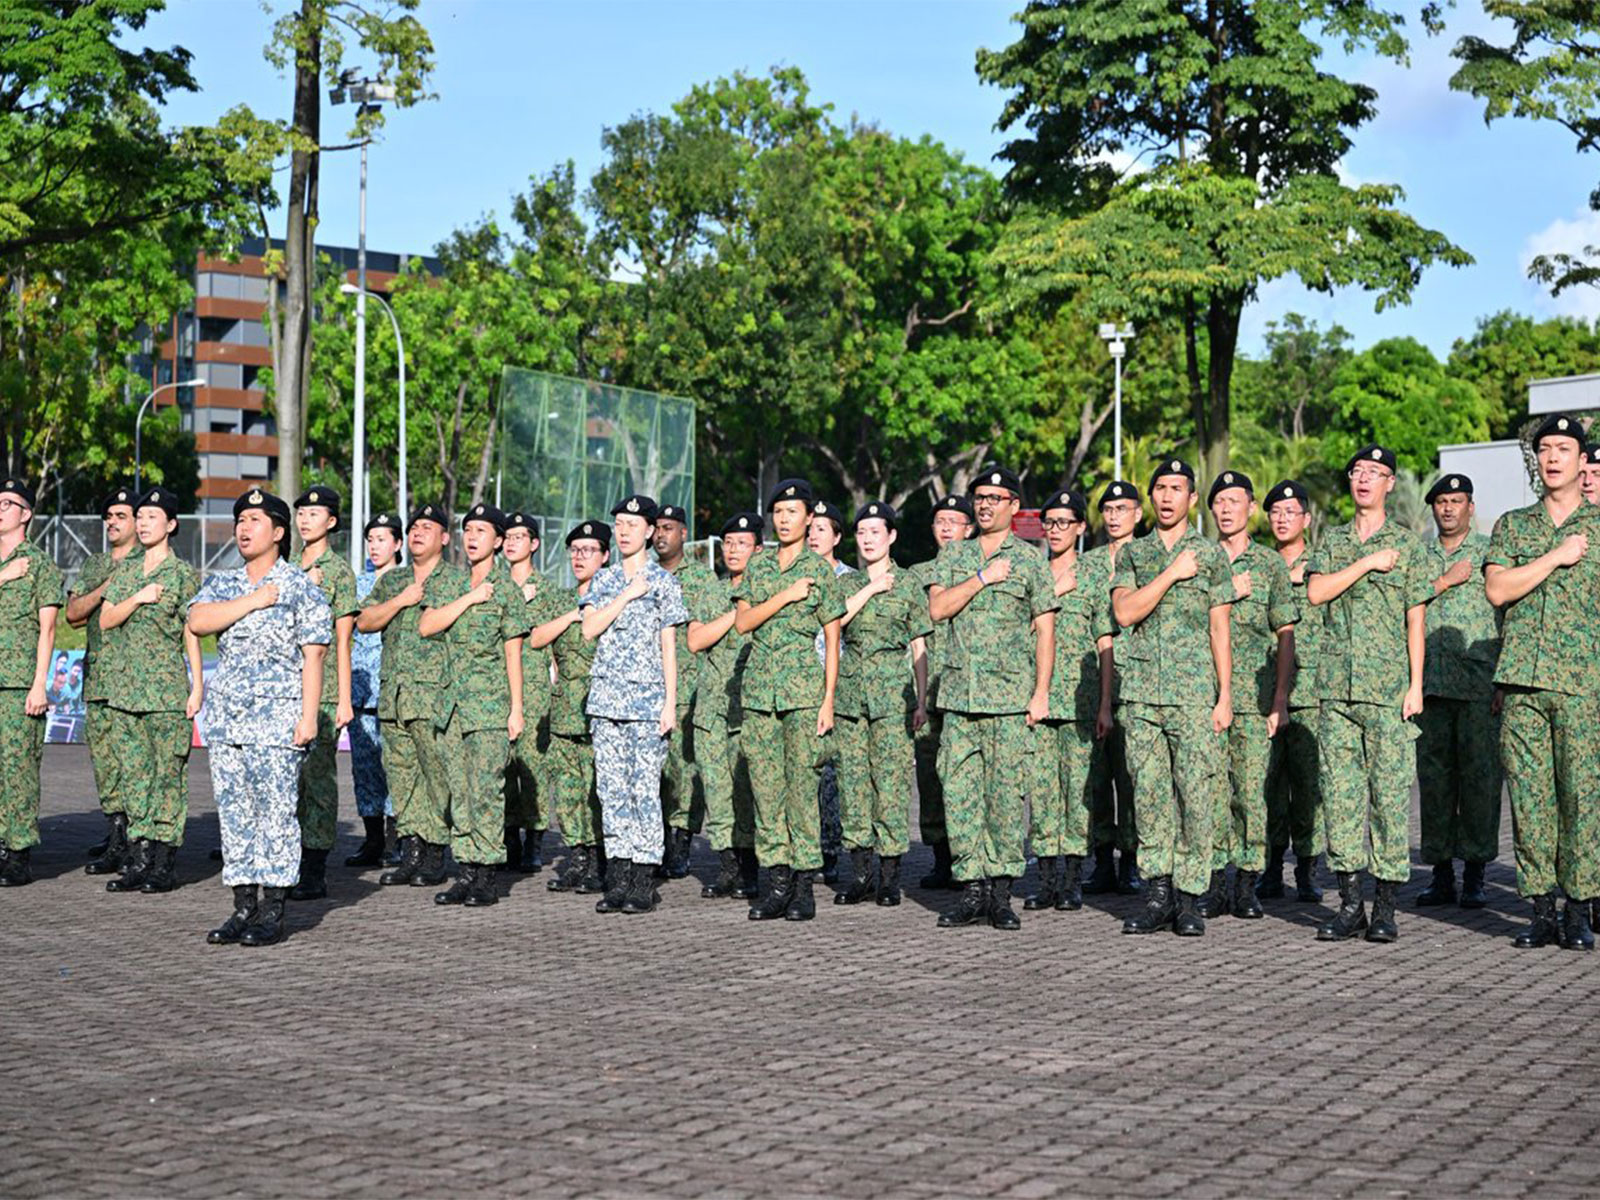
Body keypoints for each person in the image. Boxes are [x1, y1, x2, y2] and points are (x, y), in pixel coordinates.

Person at [187, 488, 329, 946]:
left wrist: (308, 719)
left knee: (276, 816)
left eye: (255, 520)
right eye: (240, 521)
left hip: (277, 721)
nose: (244, 529)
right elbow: (198, 621)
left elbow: (314, 656)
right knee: (235, 815)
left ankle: (273, 909)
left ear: (279, 532)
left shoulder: (299, 587)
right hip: (228, 721)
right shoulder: (225, 583)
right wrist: (251, 601)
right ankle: (243, 906)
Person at [1306, 444, 1431, 944]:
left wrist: (1416, 684)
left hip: (1386, 693)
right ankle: (1349, 903)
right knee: (1340, 799)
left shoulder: (1408, 545)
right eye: (1358, 471)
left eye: (1375, 473)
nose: (1364, 480)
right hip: (1336, 691)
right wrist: (1365, 563)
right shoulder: (1333, 542)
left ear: (1390, 484)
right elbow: (1316, 592)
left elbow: (1415, 619)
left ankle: (1385, 907)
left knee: (1388, 799)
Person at [1484, 413, 1600, 950]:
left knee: (1581, 800)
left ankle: (1580, 909)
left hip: (1583, 688)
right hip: (1522, 684)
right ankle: (1542, 910)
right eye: (1545, 449)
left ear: (1582, 460)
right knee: (1530, 803)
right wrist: (1555, 557)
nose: (1552, 457)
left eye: (1563, 448)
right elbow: (1498, 590)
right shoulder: (1514, 526)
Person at [927, 465, 1057, 931]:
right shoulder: (956, 556)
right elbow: (938, 608)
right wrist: (982, 578)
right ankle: (972, 888)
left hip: (1007, 699)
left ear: (1013, 506)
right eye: (979, 497)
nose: (984, 505)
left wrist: (1041, 693)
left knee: (1004, 799)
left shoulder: (1029, 561)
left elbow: (1046, 630)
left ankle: (1000, 892)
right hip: (960, 698)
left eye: (995, 498)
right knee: (959, 794)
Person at [1112, 459, 1234, 937]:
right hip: (1142, 696)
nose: (1166, 497)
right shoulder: (1135, 555)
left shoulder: (1210, 555)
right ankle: (1157, 894)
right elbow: (1124, 612)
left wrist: (1224, 696)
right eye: (1159, 488)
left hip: (1193, 695)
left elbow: (1219, 628)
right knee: (1150, 797)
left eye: (1175, 488)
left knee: (1195, 796)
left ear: (1191, 498)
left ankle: (1188, 899)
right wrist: (1170, 574)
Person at [733, 478, 846, 922]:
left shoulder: (819, 570)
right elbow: (743, 623)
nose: (783, 519)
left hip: (802, 693)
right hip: (760, 692)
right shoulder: (759, 568)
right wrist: (785, 594)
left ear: (808, 519)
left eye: (792, 512)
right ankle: (775, 883)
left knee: (802, 791)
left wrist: (828, 699)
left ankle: (803, 886)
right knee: (766, 791)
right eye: (778, 512)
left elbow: (833, 636)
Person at [581, 495, 689, 914]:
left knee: (644, 791)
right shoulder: (605, 580)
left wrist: (670, 704)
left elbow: (669, 648)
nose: (624, 531)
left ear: (649, 531)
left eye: (632, 524)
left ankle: (643, 878)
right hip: (606, 701)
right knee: (611, 791)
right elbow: (589, 628)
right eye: (619, 524)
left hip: (647, 704)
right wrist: (627, 596)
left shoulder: (664, 583)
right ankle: (618, 876)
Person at [418, 503, 529, 907]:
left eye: (482, 531)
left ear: (499, 540)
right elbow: (427, 625)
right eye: (469, 530)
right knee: (458, 792)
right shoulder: (451, 584)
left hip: (488, 705)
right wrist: (468, 599)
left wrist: (516, 709)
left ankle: (486, 873)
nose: (472, 538)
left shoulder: (507, 590)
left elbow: (513, 652)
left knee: (485, 791)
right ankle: (465, 869)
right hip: (451, 706)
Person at [95, 486, 202, 894]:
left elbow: (192, 632)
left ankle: (164, 861)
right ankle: (139, 858)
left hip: (165, 693)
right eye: (139, 518)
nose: (142, 524)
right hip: (124, 692)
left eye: (151, 517)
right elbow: (106, 620)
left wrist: (197, 687)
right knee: (134, 777)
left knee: (167, 777)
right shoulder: (125, 573)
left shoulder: (182, 576)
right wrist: (139, 597)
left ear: (171, 525)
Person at [358, 504, 463, 889]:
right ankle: (411, 850)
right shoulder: (392, 582)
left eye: (427, 527)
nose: (418, 533)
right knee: (402, 778)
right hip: (394, 696)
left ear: (444, 537)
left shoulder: (454, 580)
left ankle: (436, 851)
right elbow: (365, 622)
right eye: (414, 526)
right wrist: (401, 600)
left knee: (436, 775)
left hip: (434, 698)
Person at [1206, 471, 1296, 920]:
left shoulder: (1270, 566)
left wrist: (1279, 699)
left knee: (1251, 794)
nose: (1226, 509)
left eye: (1234, 501)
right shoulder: (1198, 560)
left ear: (1251, 507)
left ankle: (1246, 883)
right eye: (1219, 502)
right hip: (1204, 696)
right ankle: (1216, 882)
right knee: (1210, 793)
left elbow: (1285, 636)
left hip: (1255, 699)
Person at [833, 501, 930, 907]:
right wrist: (871, 588)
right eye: (862, 532)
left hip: (893, 697)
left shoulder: (909, 584)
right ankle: (860, 873)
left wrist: (922, 700)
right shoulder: (845, 583)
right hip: (851, 697)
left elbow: (919, 642)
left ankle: (890, 876)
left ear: (891, 536)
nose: (868, 539)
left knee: (890, 784)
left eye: (876, 531)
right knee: (853, 783)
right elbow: (835, 622)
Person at [1416, 474, 1503, 909]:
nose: (1448, 508)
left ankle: (1475, 873)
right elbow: (1403, 607)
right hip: (1429, 686)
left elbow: (1509, 614)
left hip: (1478, 686)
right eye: (1442, 501)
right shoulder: (1420, 555)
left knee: (1480, 781)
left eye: (1457, 501)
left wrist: (1504, 680)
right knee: (1434, 782)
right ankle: (1441, 873)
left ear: (1471, 507)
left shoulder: (1491, 551)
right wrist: (1446, 580)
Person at [1024, 488, 1110, 914]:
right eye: (1050, 523)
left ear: (1079, 528)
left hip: (1080, 700)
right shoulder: (1033, 575)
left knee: (1078, 792)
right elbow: (1018, 627)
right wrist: (1058, 588)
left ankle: (1074, 878)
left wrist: (1105, 703)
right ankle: (1046, 879)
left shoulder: (1095, 577)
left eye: (1065, 523)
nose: (1056, 531)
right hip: (1037, 699)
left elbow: (1105, 641)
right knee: (1041, 793)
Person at [532, 522, 609, 894]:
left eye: (588, 550)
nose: (580, 557)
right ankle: (578, 858)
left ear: (605, 555)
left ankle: (601, 860)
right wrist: (571, 616)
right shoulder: (560, 600)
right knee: (567, 790)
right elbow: (536, 639)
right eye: (575, 551)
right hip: (564, 710)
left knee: (597, 788)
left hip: (599, 707)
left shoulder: (614, 597)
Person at [67, 484, 140, 873]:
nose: (112, 522)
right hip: (99, 679)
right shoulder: (96, 564)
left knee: (133, 763)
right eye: (109, 516)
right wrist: (104, 589)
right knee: (106, 762)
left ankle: (134, 838)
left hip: (136, 682)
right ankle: (116, 831)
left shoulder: (148, 562)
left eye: (121, 516)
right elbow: (74, 613)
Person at [1260, 480, 1325, 903]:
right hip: (1260, 690)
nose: (1282, 519)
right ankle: (1268, 868)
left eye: (1290, 512)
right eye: (1276, 512)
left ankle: (1305, 868)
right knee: (1266, 786)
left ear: (1306, 519)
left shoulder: (1321, 565)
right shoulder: (1259, 566)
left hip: (1310, 691)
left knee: (1307, 788)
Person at [291, 488, 357, 900]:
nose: (304, 520)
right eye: (301, 512)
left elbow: (343, 639)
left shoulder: (337, 573)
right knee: (288, 782)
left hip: (326, 690)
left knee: (317, 781)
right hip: (286, 689)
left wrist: (345, 698)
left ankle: (314, 866)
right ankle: (290, 856)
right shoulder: (285, 566)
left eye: (314, 513)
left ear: (331, 521)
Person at [691, 512, 761, 898]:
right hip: (712, 707)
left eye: (742, 543)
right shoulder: (712, 592)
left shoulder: (766, 593)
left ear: (758, 549)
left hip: (748, 706)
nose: (733, 550)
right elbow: (695, 640)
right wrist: (736, 616)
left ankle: (751, 867)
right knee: (716, 789)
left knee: (747, 789)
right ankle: (727, 866)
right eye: (728, 543)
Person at [0, 477, 64, 887]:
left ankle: (16, 851)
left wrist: (40, 683)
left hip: (18, 681)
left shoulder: (38, 564)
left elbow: (49, 630)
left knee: (17, 769)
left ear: (25, 514)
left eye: (8, 503)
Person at [909, 494, 973, 890]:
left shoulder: (983, 567)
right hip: (931, 689)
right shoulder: (918, 574)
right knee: (932, 777)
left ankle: (973, 857)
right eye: (940, 521)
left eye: (955, 521)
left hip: (972, 690)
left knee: (968, 778)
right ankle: (940, 855)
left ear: (970, 528)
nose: (947, 527)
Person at [1083, 481, 1142, 895]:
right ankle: (1102, 860)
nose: (1115, 516)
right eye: (1108, 509)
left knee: (1135, 780)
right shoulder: (1086, 566)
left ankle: (1132, 863)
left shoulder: (1150, 558)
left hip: (1140, 683)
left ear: (1138, 514)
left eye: (1123, 508)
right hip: (1091, 686)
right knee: (1098, 781)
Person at [654, 503, 715, 878]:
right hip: (648, 685)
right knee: (654, 768)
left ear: (683, 533)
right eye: (657, 528)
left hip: (689, 685)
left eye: (669, 528)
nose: (662, 534)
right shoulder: (642, 576)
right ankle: (655, 837)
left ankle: (680, 841)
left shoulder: (701, 580)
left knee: (684, 768)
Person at [345, 512, 401, 868]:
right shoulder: (358, 584)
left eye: (382, 539)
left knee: (396, 766)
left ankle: (398, 838)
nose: (375, 546)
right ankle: (373, 839)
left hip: (395, 690)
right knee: (365, 768)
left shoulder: (408, 584)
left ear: (397, 544)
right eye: (371, 539)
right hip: (362, 689)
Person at [502, 511, 551, 873]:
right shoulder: (493, 586)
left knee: (532, 763)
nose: (511, 542)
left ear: (534, 544)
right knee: (501, 765)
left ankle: (534, 839)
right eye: (508, 536)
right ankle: (507, 838)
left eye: (520, 536)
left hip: (534, 685)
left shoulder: (547, 589)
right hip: (498, 685)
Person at [808, 497, 853, 884]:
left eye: (820, 530)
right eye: (810, 529)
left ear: (836, 537)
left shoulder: (849, 580)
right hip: (798, 684)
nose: (812, 536)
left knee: (831, 776)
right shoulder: (794, 576)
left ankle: (831, 849)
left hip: (835, 685)